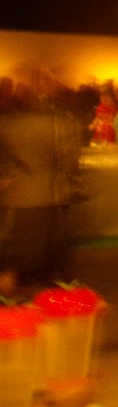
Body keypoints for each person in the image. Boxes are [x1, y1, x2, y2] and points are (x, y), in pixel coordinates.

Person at [0, 80, 83, 292]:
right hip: (50, 193)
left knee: (18, 242)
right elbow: (69, 160)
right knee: (50, 245)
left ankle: (12, 282)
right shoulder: (55, 125)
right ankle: (49, 289)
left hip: (17, 194)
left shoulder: (7, 126)